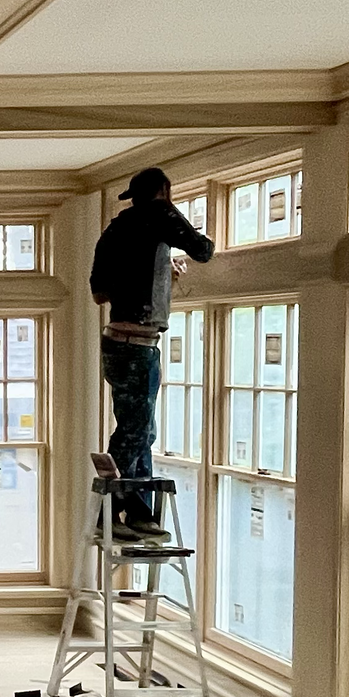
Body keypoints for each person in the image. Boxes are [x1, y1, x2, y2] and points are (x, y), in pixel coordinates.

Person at [89, 167, 213, 541]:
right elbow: (203, 251)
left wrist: (156, 274)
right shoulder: (159, 214)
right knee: (133, 431)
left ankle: (141, 510)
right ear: (163, 193)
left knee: (143, 429)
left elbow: (100, 293)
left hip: (115, 342)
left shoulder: (113, 230)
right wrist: (169, 212)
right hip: (140, 346)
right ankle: (107, 512)